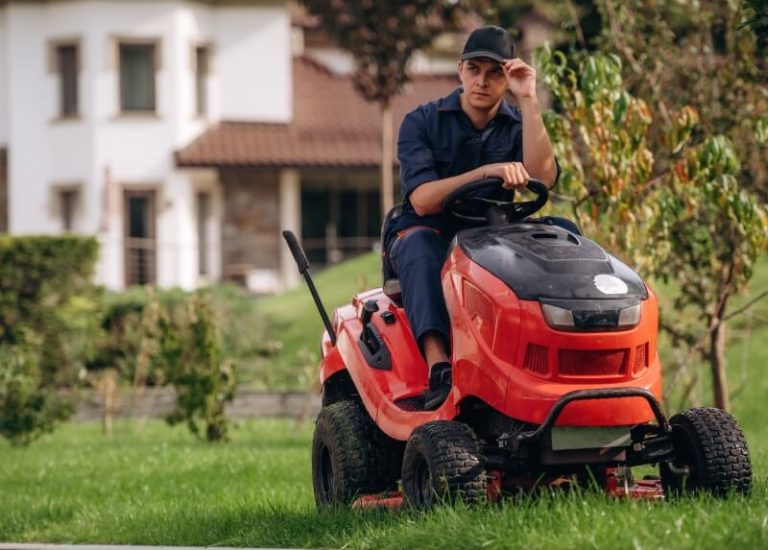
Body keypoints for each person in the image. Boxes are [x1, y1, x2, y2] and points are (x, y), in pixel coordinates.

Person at [383, 26, 561, 410]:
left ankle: (555, 362)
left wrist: (529, 100)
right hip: (433, 230)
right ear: (460, 69)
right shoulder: (422, 122)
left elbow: (543, 177)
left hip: (497, 233)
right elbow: (424, 200)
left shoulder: (518, 124)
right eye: (475, 69)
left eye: (495, 73)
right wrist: (488, 172)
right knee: (417, 246)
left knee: (566, 235)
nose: (483, 81)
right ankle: (439, 367)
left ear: (507, 78)